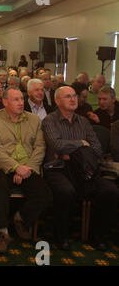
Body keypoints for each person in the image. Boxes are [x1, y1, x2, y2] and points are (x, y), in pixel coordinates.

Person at [42, 86, 118, 251]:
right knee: (66, 191)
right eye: (68, 96)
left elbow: (97, 149)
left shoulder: (83, 121)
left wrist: (73, 152)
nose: (73, 99)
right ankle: (60, 236)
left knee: (110, 190)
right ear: (57, 101)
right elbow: (56, 145)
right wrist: (81, 144)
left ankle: (97, 236)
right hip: (58, 168)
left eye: (74, 96)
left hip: (85, 169)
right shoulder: (49, 120)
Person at [0, 87, 50, 253]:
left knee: (45, 194)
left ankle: (21, 218)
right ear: (5, 102)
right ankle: (2, 232)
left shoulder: (34, 120)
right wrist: (16, 167)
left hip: (28, 165)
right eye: (16, 100)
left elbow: (40, 147)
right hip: (2, 166)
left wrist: (27, 168)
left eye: (22, 99)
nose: (21, 103)